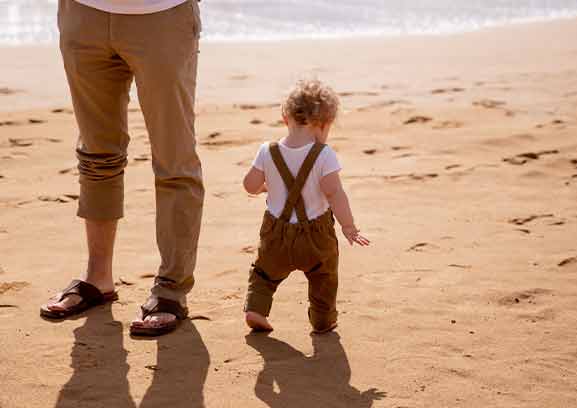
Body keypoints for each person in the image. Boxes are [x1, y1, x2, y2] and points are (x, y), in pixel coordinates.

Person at [39, 0, 204, 337]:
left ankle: (171, 291)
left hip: (162, 17)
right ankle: (98, 279)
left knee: (174, 162)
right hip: (83, 14)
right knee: (97, 156)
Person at [242, 79, 370, 333]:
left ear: (284, 118)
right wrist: (349, 226)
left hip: (275, 235)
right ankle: (323, 319)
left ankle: (256, 309)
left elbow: (250, 185)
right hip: (316, 237)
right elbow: (334, 193)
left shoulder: (267, 151)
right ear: (323, 124)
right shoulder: (324, 155)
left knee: (264, 274)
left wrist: (266, 187)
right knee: (324, 277)